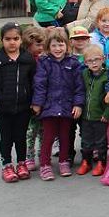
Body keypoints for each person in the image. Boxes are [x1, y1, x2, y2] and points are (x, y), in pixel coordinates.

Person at [0, 22, 36, 183]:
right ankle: (7, 164)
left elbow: (33, 81)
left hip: (23, 108)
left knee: (20, 137)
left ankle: (21, 163)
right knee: (6, 137)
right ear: (2, 40)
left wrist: (32, 101)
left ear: (21, 40)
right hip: (3, 109)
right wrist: (0, 99)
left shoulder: (27, 60)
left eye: (16, 38)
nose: (12, 42)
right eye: (8, 39)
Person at [31, 28, 85, 181]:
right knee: (48, 137)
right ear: (48, 46)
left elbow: (79, 87)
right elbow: (39, 84)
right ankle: (45, 164)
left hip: (67, 106)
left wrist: (78, 104)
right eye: (54, 45)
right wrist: (37, 103)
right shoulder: (44, 62)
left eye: (61, 45)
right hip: (49, 106)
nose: (57, 49)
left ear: (67, 46)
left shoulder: (73, 63)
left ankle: (63, 161)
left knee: (65, 136)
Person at [76, 44, 109, 177]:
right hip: (86, 116)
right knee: (86, 141)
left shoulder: (107, 76)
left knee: (101, 142)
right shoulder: (84, 74)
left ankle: (102, 163)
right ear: (85, 62)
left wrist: (107, 113)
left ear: (103, 59)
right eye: (90, 61)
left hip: (100, 116)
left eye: (97, 59)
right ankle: (86, 162)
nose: (94, 63)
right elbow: (79, 91)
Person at [21, 26, 46, 171]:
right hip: (30, 102)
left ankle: (42, 154)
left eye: (43, 44)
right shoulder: (25, 61)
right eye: (38, 44)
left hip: (43, 101)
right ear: (28, 44)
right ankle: (28, 156)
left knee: (43, 130)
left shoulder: (43, 59)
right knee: (31, 131)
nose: (41, 47)